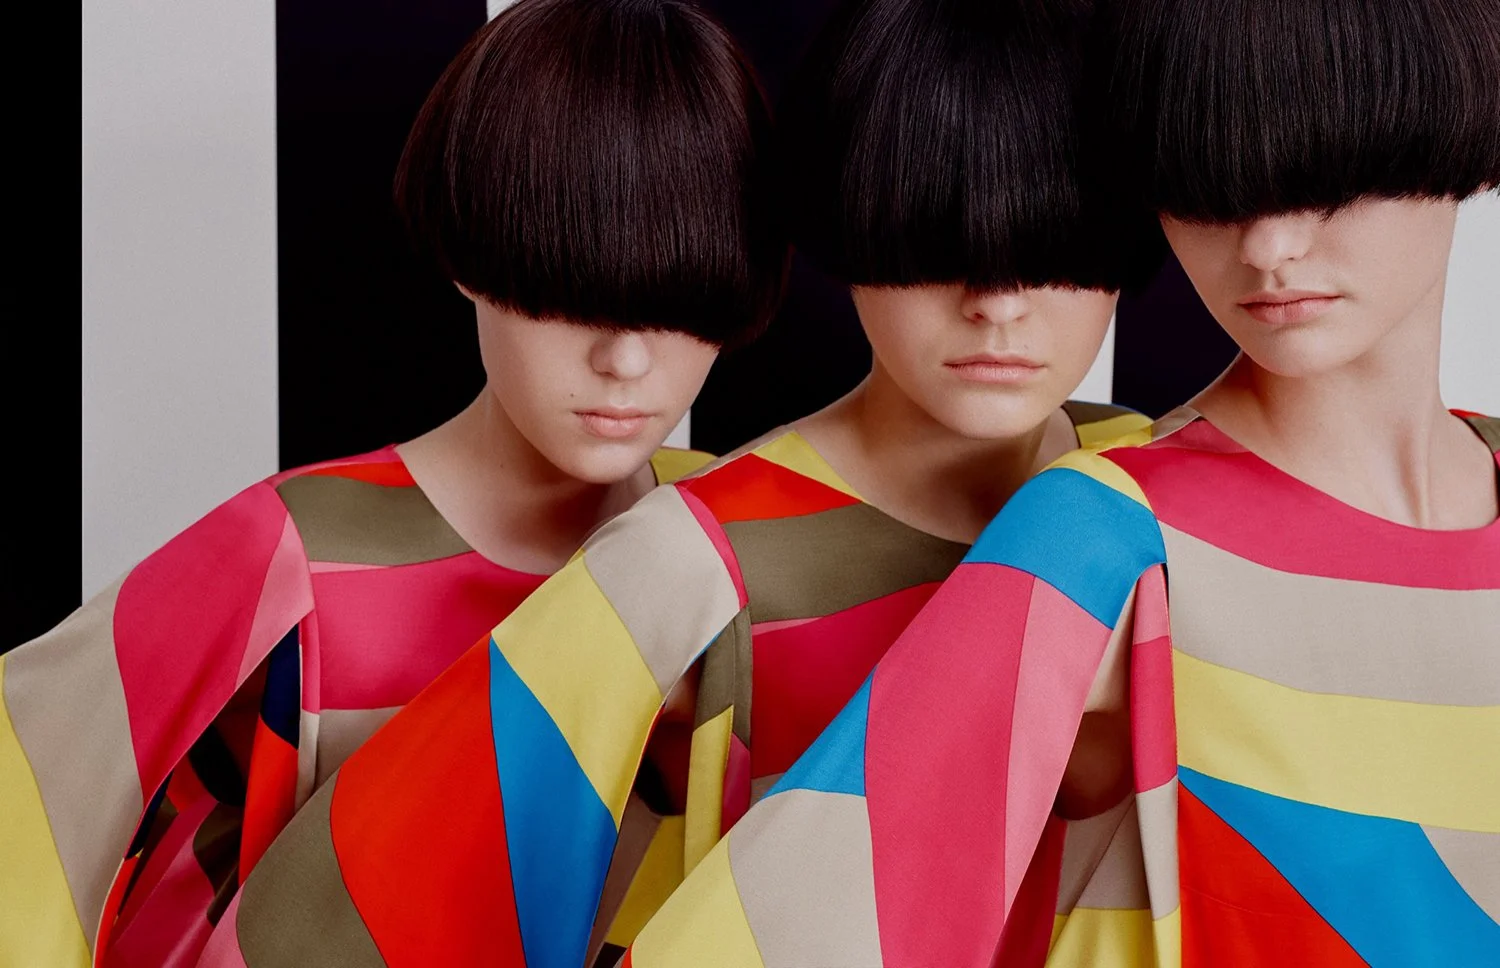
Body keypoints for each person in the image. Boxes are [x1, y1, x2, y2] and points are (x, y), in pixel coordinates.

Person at [198, 1, 1163, 966]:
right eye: (935, 241)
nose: (998, 305)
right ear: (851, 224)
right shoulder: (693, 555)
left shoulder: (1149, 487)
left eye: (1056, 248)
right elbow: (398, 877)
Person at [624, 0, 1500, 964]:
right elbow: (793, 913)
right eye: (1206, 187)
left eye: (1331, 182)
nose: (1267, 249)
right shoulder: (1101, 533)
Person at [0, 1, 786, 965]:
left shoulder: (735, 543)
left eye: (679, 306)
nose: (624, 360)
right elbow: (27, 777)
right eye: (567, 291)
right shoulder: (294, 557)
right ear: (470, 260)